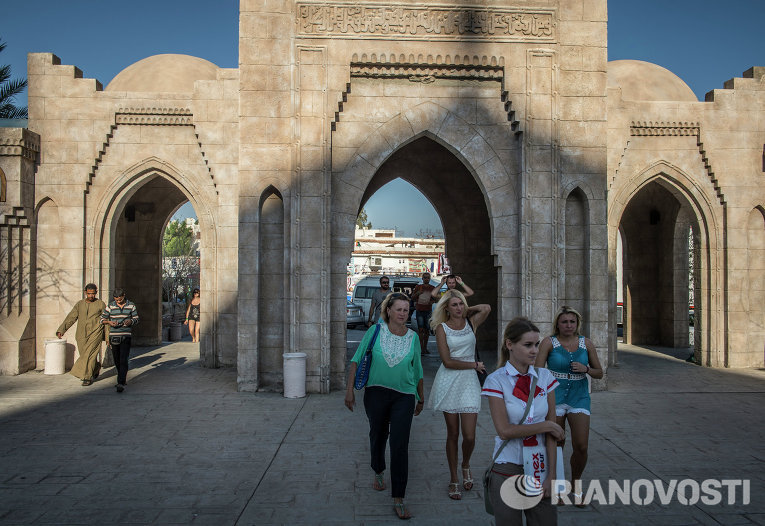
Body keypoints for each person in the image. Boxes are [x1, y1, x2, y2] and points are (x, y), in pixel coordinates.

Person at [345, 292, 424, 520]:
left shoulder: (413, 337)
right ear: (388, 310)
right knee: (378, 435)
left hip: (404, 395)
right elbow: (356, 360)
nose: (402, 314)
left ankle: (399, 497)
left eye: (406, 310)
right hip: (376, 393)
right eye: (398, 309)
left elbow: (417, 369)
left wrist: (420, 397)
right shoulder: (375, 331)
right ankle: (378, 469)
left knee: (400, 445)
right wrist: (349, 390)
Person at [482, 317, 564, 525]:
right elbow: (504, 431)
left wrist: (552, 475)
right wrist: (546, 425)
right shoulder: (496, 380)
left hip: (541, 467)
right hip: (508, 467)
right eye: (527, 345)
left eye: (536, 344)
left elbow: (552, 435)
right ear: (509, 344)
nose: (535, 350)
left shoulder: (546, 377)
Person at [535, 305, 603, 506]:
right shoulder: (549, 342)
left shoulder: (586, 343)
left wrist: (587, 369)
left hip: (579, 396)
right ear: (557, 323)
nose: (568, 325)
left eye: (572, 322)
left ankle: (576, 483)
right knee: (556, 443)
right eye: (564, 321)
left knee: (581, 445)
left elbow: (599, 372)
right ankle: (557, 486)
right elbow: (538, 370)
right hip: (554, 396)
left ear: (577, 324)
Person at [427, 289, 490, 500]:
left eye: (461, 304)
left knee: (470, 435)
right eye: (454, 305)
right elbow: (447, 361)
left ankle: (465, 464)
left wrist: (464, 308)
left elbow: (486, 308)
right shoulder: (441, 328)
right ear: (446, 308)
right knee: (453, 433)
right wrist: (474, 364)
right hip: (450, 379)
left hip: (469, 382)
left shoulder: (471, 323)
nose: (459, 308)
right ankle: (454, 477)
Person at [56, 283, 106, 386]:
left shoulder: (100, 304)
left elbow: (106, 320)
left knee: (89, 355)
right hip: (81, 334)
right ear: (85, 293)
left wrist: (108, 336)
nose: (91, 296)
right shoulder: (80, 304)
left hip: (96, 332)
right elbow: (71, 317)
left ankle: (86, 377)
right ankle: (96, 367)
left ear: (96, 293)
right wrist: (62, 329)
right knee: (85, 355)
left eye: (93, 294)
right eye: (89, 294)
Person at [101, 288, 139, 393]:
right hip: (114, 335)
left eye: (120, 299)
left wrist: (130, 321)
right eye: (116, 299)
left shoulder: (131, 305)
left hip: (126, 334)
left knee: (124, 358)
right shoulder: (110, 306)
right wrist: (109, 322)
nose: (118, 301)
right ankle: (121, 375)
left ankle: (121, 382)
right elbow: (102, 319)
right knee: (117, 359)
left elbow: (136, 319)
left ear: (124, 295)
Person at [410, 271, 436, 355]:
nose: (426, 279)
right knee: (420, 330)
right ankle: (421, 348)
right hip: (420, 310)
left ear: (430, 279)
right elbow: (412, 298)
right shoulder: (418, 287)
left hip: (428, 311)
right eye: (425, 277)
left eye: (428, 277)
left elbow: (436, 298)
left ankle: (425, 348)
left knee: (427, 330)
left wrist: (432, 301)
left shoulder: (432, 288)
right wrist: (418, 293)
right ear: (422, 278)